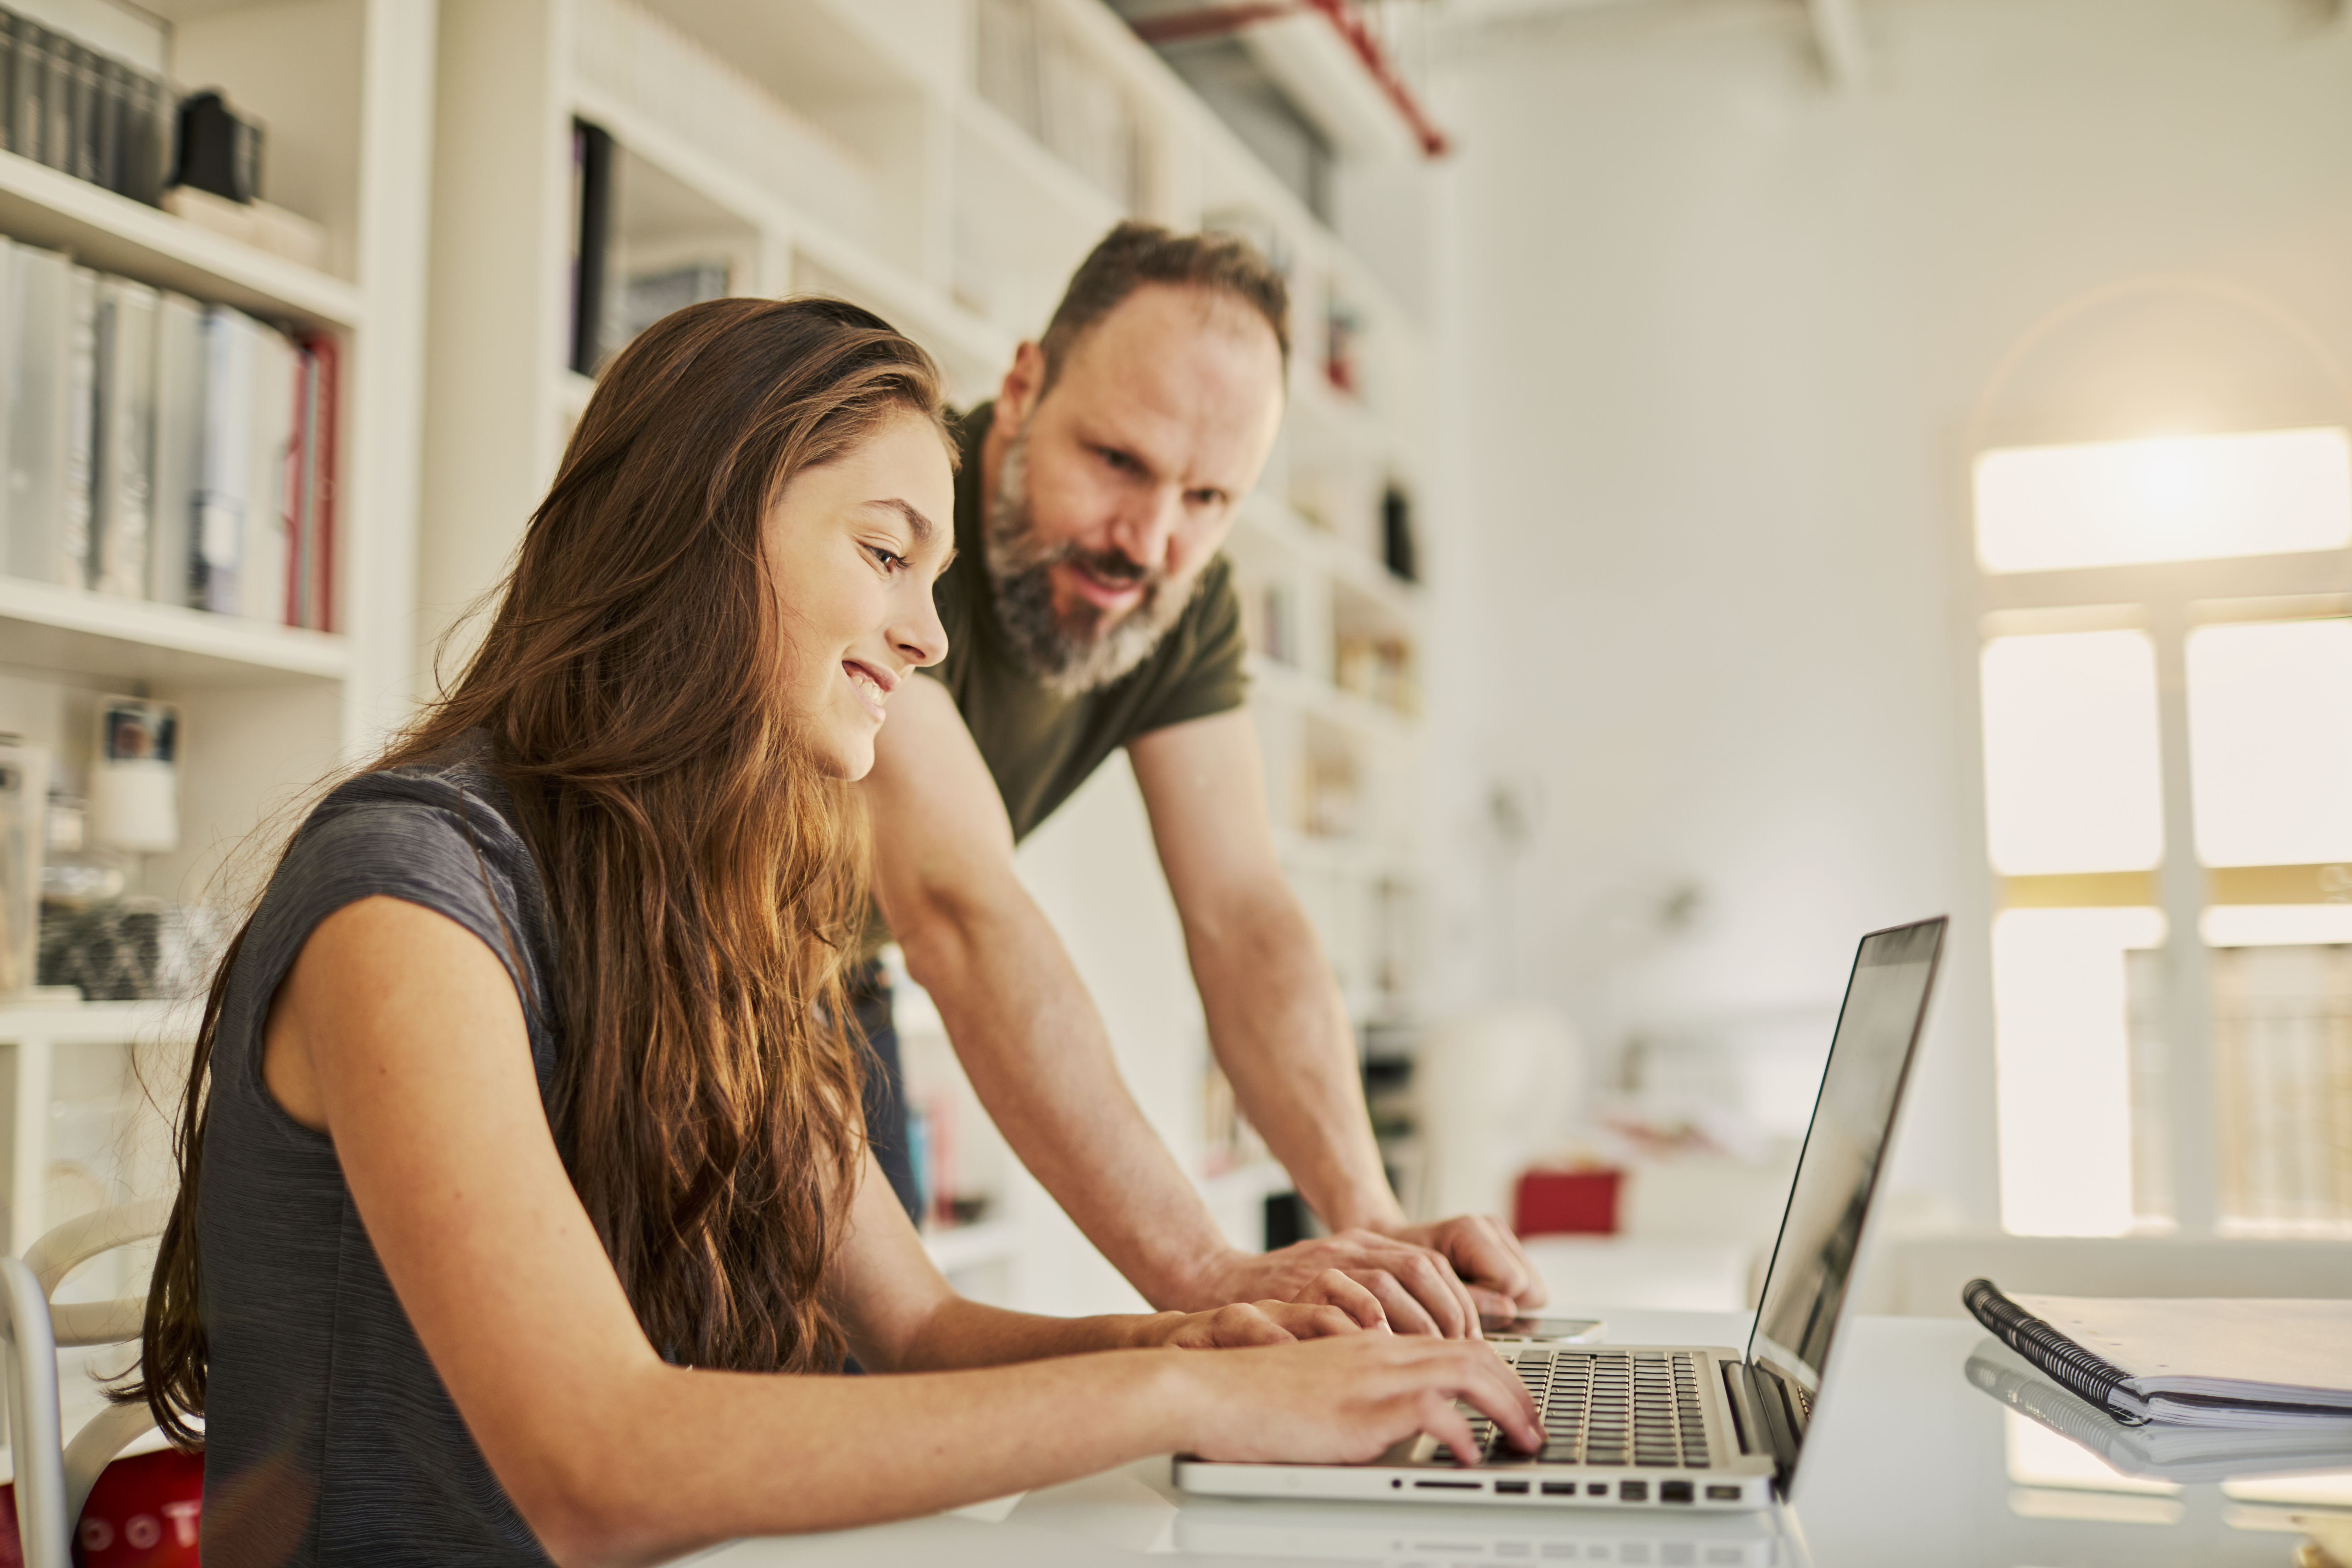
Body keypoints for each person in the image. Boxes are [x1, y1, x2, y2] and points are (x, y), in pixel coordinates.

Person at [129, 298, 1538, 1565]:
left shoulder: (725, 915)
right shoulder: (407, 894)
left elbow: (919, 1332)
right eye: (883, 553)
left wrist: (1224, 1336)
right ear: (696, 526)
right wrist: (1188, 1387)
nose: (926, 638)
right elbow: (595, 1466)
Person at [860, 223, 1546, 1336]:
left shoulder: (1185, 604)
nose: (1148, 541)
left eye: (1209, 499)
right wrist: (1205, 1272)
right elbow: (957, 910)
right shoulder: (896, 512)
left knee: (853, 1411)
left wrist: (1368, 1221)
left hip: (829, 985)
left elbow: (1242, 912)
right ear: (1025, 385)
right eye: (1118, 462)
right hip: (635, 947)